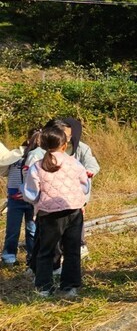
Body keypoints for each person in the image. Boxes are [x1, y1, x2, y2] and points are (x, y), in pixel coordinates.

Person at [22, 125, 90, 297]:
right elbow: (85, 185)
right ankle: (70, 287)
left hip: (48, 213)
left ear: (43, 145)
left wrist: (36, 202)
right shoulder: (74, 162)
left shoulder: (37, 166)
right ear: (65, 145)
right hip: (73, 210)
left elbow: (31, 193)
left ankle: (44, 287)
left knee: (46, 250)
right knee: (72, 249)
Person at [2, 130, 33, 265]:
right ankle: (9, 257)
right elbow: (4, 166)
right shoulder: (15, 157)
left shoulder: (39, 157)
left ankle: (32, 256)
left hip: (32, 200)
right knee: (12, 230)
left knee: (32, 229)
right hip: (15, 199)